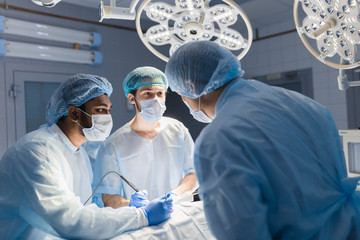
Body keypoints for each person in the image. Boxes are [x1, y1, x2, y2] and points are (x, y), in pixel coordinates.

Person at [164, 41, 360, 239]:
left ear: (190, 87)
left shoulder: (218, 138)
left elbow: (241, 232)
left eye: (180, 94)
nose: (183, 100)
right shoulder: (306, 104)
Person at [0, 74, 173, 239]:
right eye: (100, 110)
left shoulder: (78, 151)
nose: (107, 117)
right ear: (74, 113)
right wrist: (141, 216)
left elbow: (86, 208)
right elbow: (71, 221)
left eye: (108, 110)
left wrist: (127, 206)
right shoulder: (37, 152)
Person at [93, 66, 197, 208]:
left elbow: (193, 173)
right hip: (139, 220)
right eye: (147, 93)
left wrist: (175, 195)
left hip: (177, 213)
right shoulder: (113, 145)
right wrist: (133, 205)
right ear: (131, 98)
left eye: (160, 93)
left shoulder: (178, 130)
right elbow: (108, 197)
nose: (155, 99)